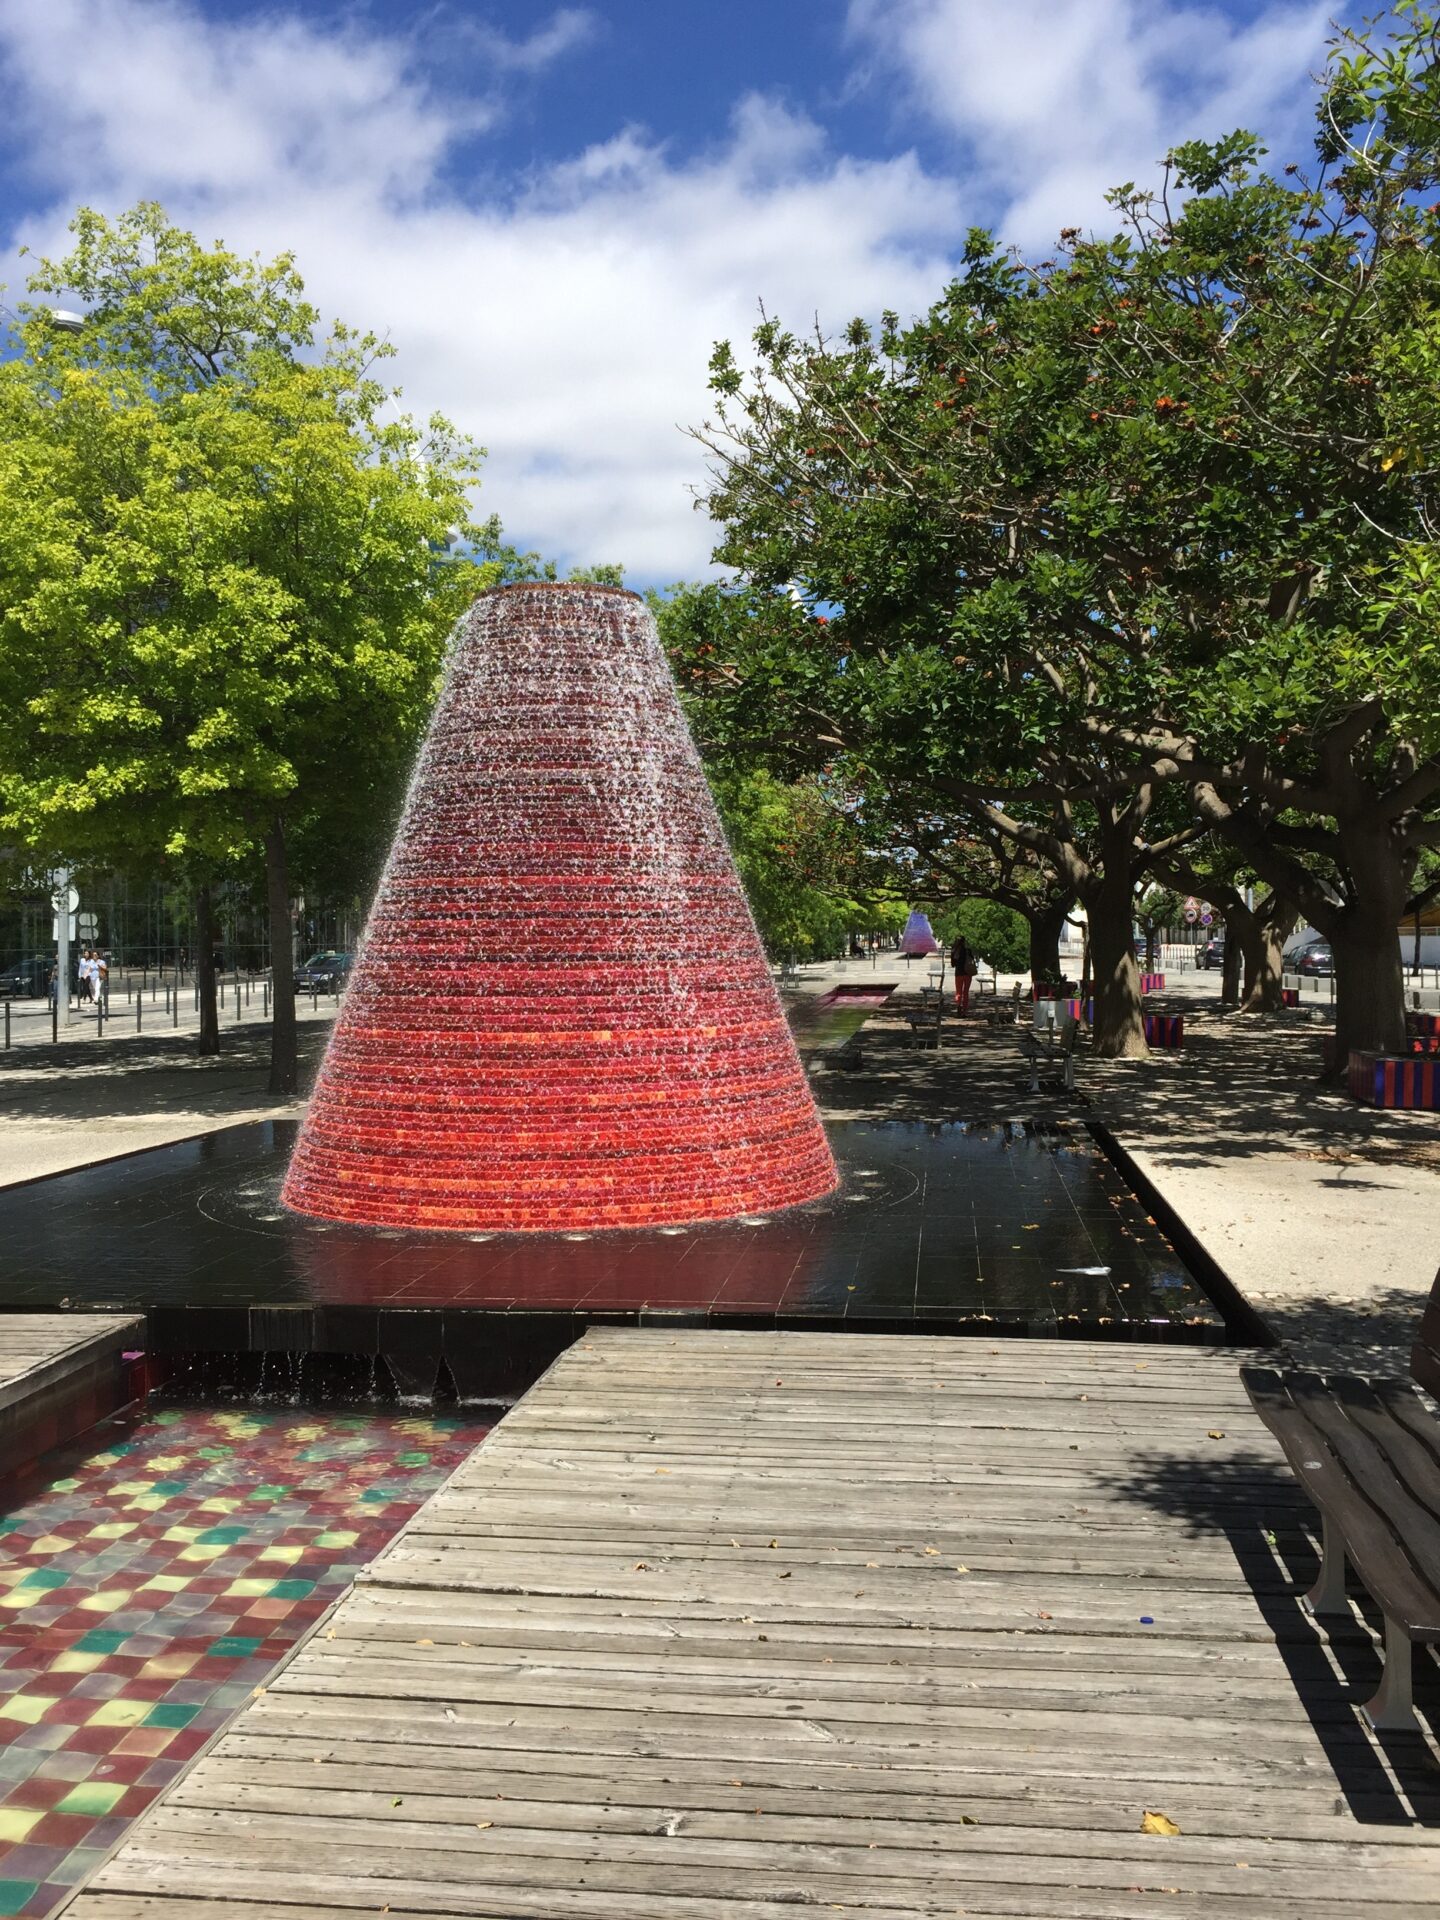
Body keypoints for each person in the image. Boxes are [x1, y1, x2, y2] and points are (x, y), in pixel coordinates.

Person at [950, 933, 977, 1013]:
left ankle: (958, 1005)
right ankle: (964, 1010)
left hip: (958, 973)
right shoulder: (968, 950)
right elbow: (972, 960)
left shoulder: (955, 951)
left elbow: (953, 964)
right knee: (966, 992)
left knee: (958, 992)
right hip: (968, 973)